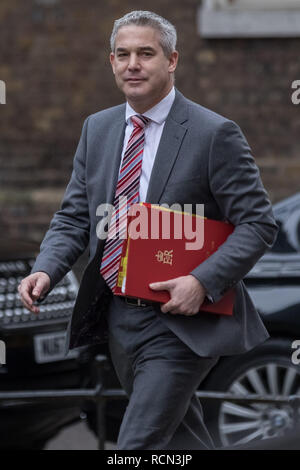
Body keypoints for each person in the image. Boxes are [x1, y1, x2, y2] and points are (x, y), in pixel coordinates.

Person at [18, 10, 278, 450]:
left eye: (146, 53)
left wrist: (201, 282)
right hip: (120, 316)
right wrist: (47, 269)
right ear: (112, 62)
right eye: (123, 54)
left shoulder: (214, 134)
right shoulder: (97, 129)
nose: (132, 64)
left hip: (183, 322)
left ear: (172, 60)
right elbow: (75, 215)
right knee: (182, 438)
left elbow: (258, 223)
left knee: (136, 445)